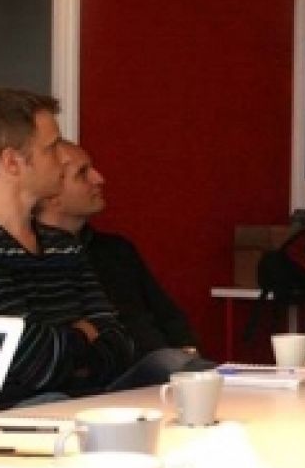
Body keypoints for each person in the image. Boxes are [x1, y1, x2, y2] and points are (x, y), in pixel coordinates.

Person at [0, 89, 136, 406]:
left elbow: (121, 345)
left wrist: (65, 346)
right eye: (51, 148)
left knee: (169, 368)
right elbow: (32, 362)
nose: (63, 158)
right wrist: (84, 336)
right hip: (16, 420)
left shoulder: (62, 245)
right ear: (12, 162)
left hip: (85, 406)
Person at [35, 141, 202, 358]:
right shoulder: (34, 260)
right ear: (51, 192)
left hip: (163, 367)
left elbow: (170, 318)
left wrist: (187, 355)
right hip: (108, 373)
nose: (99, 178)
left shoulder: (116, 250)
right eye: (82, 173)